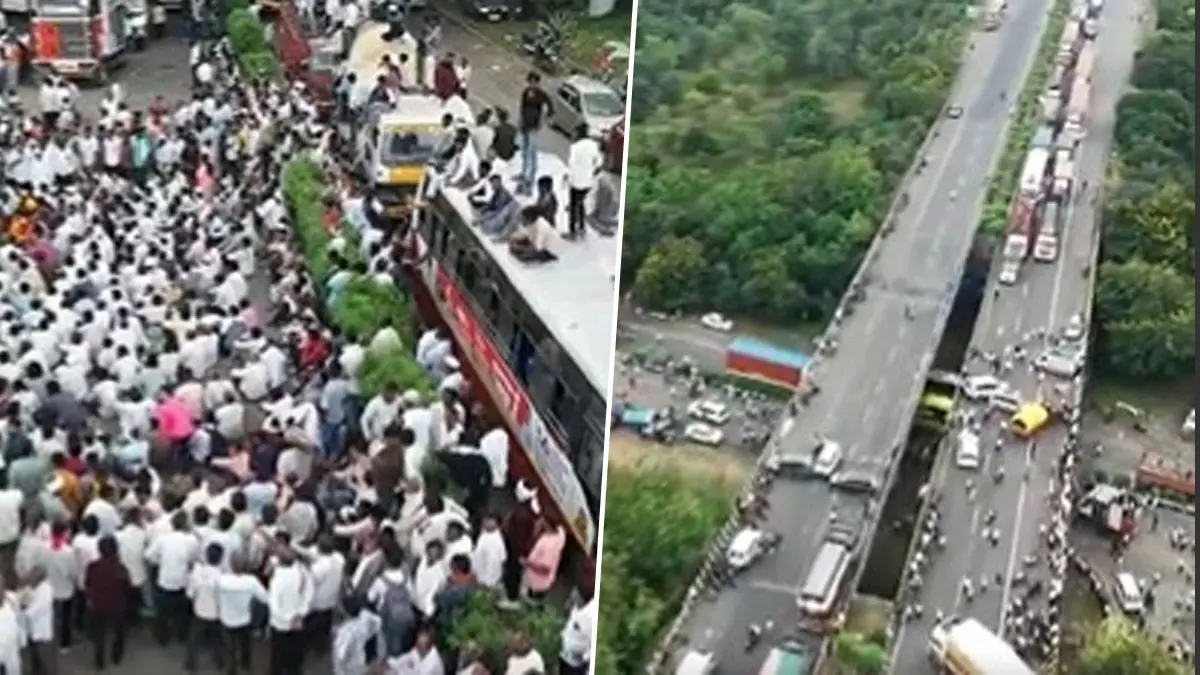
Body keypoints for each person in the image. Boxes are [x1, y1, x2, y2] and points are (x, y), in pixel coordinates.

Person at [83, 535, 129, 670]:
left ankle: (99, 662)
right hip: (117, 605)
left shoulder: (93, 566)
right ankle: (116, 656)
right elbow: (127, 587)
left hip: (98, 604)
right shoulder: (121, 569)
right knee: (119, 632)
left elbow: (87, 583)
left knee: (99, 635)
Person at [516, 72, 551, 193]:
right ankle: (523, 173)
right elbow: (522, 108)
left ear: (537, 82)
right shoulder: (526, 92)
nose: (531, 84)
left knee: (532, 152)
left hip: (534, 127)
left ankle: (530, 179)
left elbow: (549, 108)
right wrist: (520, 121)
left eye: (533, 82)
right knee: (525, 152)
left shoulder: (541, 95)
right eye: (529, 82)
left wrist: (543, 120)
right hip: (525, 124)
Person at [565, 123, 601, 239]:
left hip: (576, 180)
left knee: (573, 206)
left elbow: (571, 164)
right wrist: (592, 171)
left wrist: (568, 178)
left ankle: (572, 232)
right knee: (581, 205)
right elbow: (599, 162)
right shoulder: (593, 145)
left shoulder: (575, 147)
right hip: (588, 181)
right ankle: (582, 228)